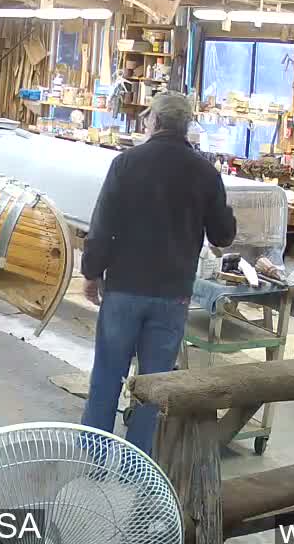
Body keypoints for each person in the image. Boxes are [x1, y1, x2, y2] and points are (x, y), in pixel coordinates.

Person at [79, 91, 237, 455]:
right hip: (172, 293)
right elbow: (222, 235)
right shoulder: (205, 173)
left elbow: (103, 224)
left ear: (155, 122)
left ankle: (95, 454)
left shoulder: (127, 164)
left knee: (107, 373)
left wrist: (90, 271)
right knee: (156, 383)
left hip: (124, 288)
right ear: (186, 127)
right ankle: (140, 464)